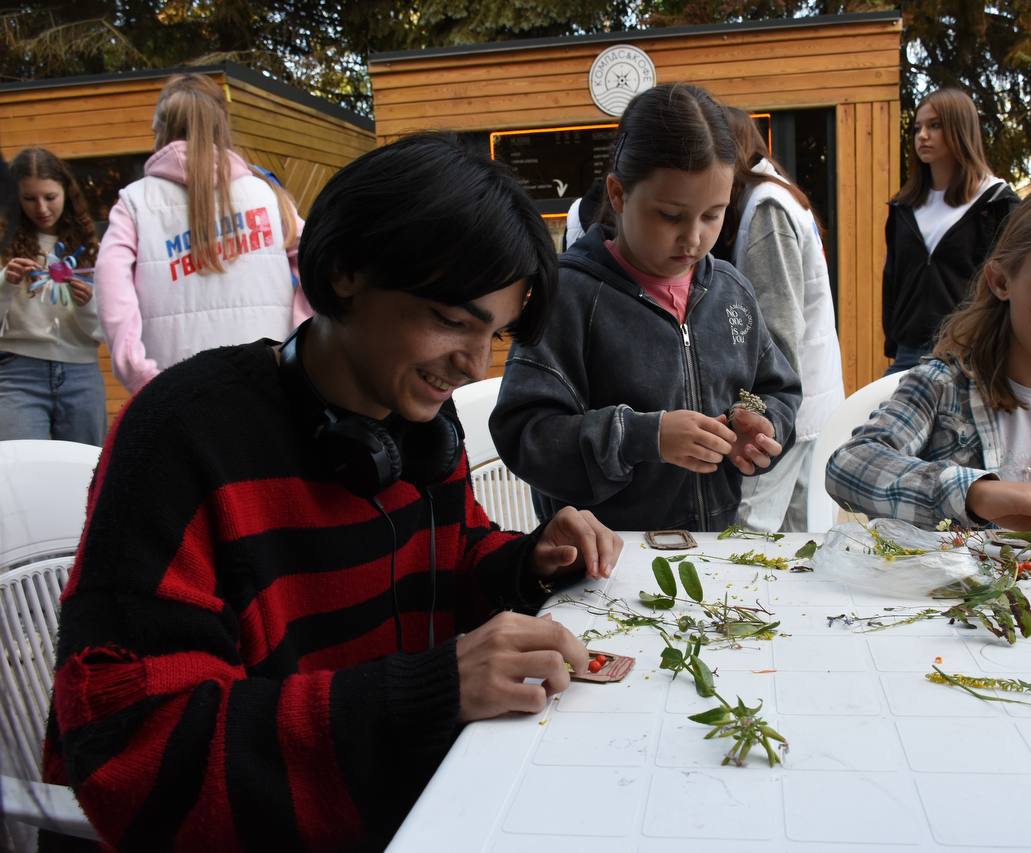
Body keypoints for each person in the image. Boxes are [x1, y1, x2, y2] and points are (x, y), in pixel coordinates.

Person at [44, 132, 623, 852]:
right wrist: (425, 695)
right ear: (348, 269)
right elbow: (131, 748)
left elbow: (450, 555)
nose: (473, 364)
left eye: (496, 335)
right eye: (451, 320)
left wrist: (527, 561)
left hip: (436, 806)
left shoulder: (419, 416)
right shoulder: (180, 434)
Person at [491, 83, 801, 532]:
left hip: (712, 556)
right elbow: (526, 435)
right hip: (602, 564)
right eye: (670, 216)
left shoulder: (731, 291)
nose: (693, 237)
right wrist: (644, 436)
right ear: (617, 195)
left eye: (713, 214)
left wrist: (761, 424)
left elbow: (777, 388)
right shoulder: (569, 296)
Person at [828, 176, 1031, 562]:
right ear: (1001, 281)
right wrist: (975, 493)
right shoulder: (942, 386)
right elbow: (849, 466)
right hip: (952, 612)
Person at [95, 73, 309, 394]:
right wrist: (298, 340)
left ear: (160, 129)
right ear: (222, 125)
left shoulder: (136, 203)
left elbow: (110, 285)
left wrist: (138, 373)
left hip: (174, 389)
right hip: (265, 379)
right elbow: (323, 262)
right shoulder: (267, 196)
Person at [716, 108, 844, 532]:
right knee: (798, 540)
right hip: (805, 405)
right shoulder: (772, 195)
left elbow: (778, 328)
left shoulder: (766, 206)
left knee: (745, 536)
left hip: (785, 413)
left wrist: (755, 406)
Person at [882, 87, 1020, 374]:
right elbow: (893, 276)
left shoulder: (996, 204)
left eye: (935, 126)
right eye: (917, 127)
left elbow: (1011, 281)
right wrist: (894, 339)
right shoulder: (903, 207)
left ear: (960, 129)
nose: (922, 135)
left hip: (971, 352)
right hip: (909, 353)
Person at [0, 148, 106, 445]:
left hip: (80, 372)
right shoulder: (4, 245)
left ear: (66, 192)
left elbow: (103, 330)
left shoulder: (91, 247)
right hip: (17, 373)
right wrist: (5, 283)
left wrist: (87, 304)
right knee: (17, 473)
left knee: (86, 474)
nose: (42, 208)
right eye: (29, 199)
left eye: (50, 197)